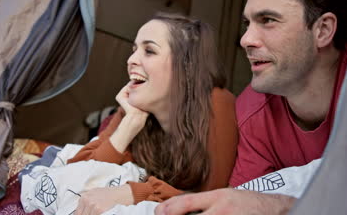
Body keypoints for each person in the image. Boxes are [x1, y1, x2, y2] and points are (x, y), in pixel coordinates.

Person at [155, 0, 347, 214]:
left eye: (268, 20)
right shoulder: (251, 109)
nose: (245, 40)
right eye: (247, 23)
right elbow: (247, 203)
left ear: (323, 30)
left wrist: (283, 207)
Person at [68, 13, 238, 214]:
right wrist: (130, 122)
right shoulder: (132, 110)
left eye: (149, 51)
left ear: (185, 66)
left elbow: (209, 198)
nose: (131, 60)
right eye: (134, 50)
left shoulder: (216, 101)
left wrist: (135, 192)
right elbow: (74, 177)